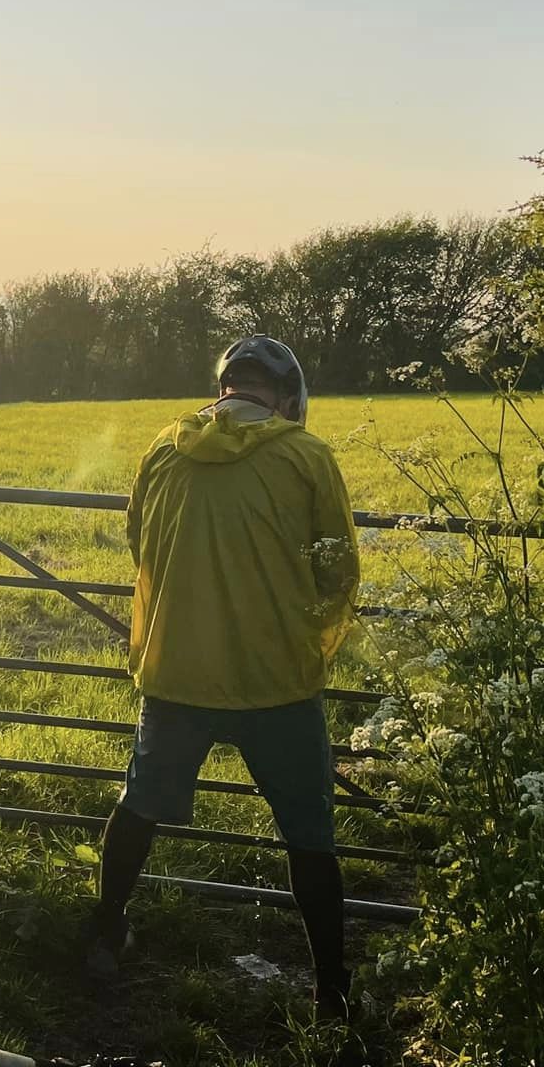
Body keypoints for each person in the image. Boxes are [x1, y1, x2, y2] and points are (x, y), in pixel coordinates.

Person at [85, 336, 361, 1018]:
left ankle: (104, 931)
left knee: (140, 804)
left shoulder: (161, 449)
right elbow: (338, 568)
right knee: (310, 833)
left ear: (223, 388)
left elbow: (139, 540)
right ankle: (332, 990)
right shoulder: (307, 456)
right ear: (288, 397)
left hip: (177, 672)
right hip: (277, 682)